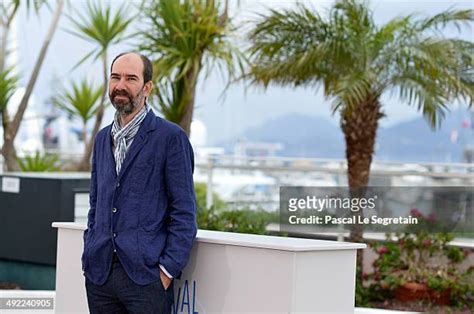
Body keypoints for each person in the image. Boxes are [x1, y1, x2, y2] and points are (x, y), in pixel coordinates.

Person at [81, 52, 197, 314]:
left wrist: (167, 271)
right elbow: (96, 203)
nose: (121, 85)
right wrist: (89, 250)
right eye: (115, 77)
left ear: (147, 88)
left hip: (146, 279)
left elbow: (184, 212)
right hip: (99, 276)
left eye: (131, 78)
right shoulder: (101, 139)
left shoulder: (171, 138)